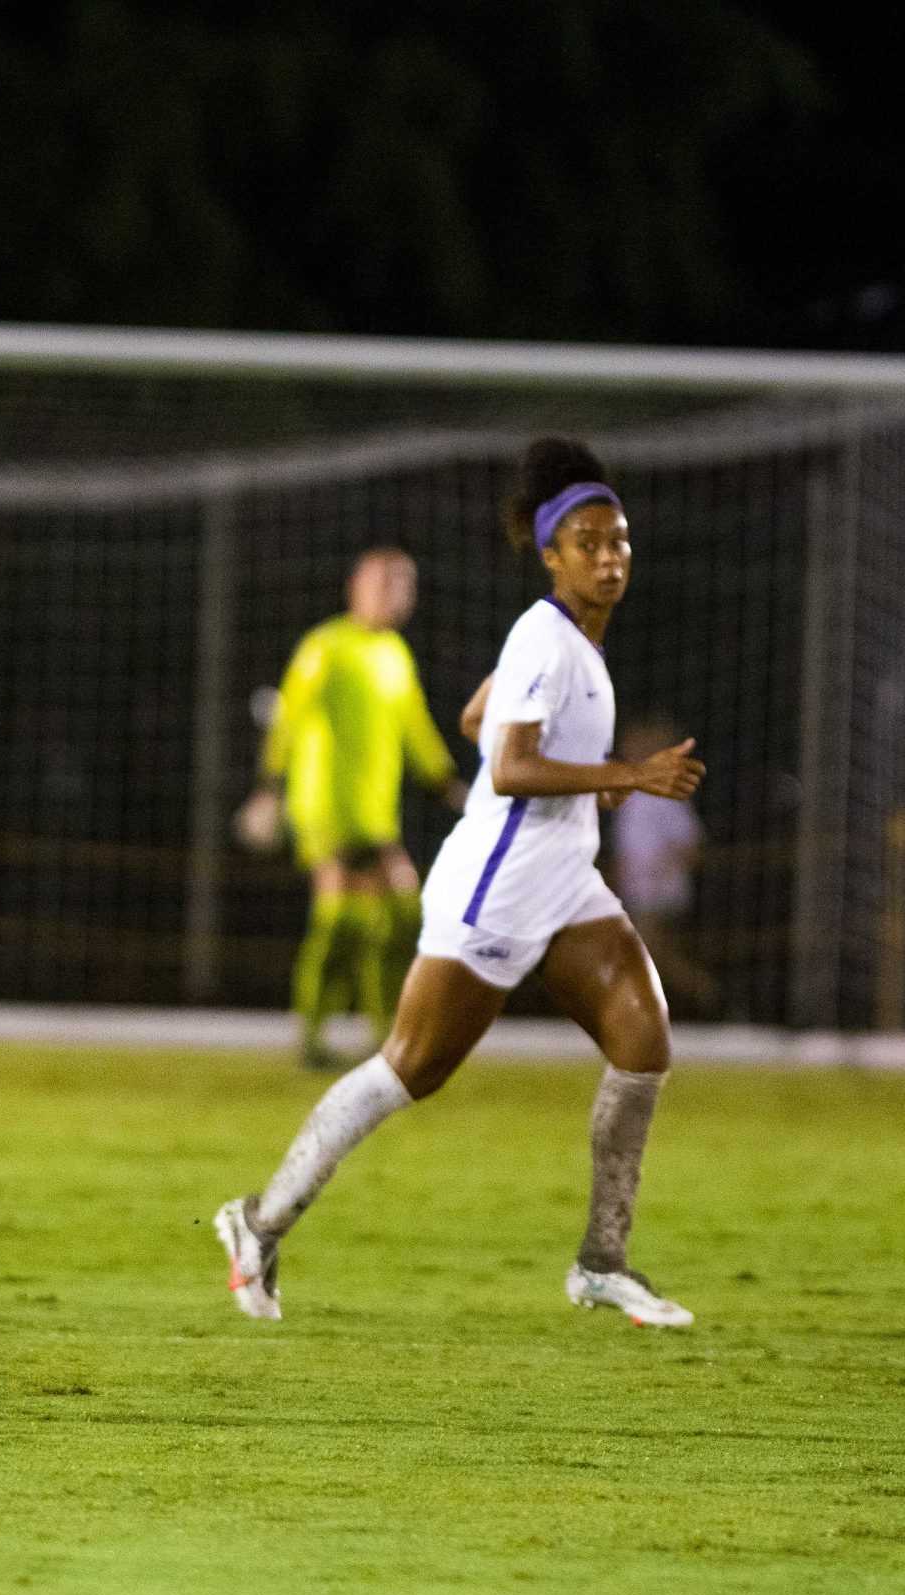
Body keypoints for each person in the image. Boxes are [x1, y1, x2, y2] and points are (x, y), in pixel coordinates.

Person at [213, 439, 708, 1330]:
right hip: (495, 888)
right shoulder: (545, 637)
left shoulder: (567, 648)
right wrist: (625, 776)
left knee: (644, 1037)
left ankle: (602, 1261)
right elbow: (512, 766)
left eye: (619, 541)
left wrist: (558, 755)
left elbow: (481, 716)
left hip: (564, 882)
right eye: (588, 543)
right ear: (552, 556)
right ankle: (259, 1219)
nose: (608, 557)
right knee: (409, 1069)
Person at [235, 547, 465, 1069]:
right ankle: (314, 1037)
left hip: (375, 813)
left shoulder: (396, 655)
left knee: (400, 916)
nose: (395, 594)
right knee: (347, 916)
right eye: (384, 583)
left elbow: (415, 727)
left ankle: (384, 1035)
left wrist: (446, 781)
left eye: (403, 585)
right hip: (323, 807)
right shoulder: (325, 647)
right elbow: (287, 719)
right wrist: (269, 785)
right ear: (355, 588)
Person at [610, 714, 721, 1019]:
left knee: (644, 951)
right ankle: (704, 998)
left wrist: (663, 875)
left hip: (661, 892)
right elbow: (627, 848)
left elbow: (690, 845)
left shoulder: (667, 793)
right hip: (636, 890)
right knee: (655, 955)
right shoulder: (632, 795)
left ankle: (707, 999)